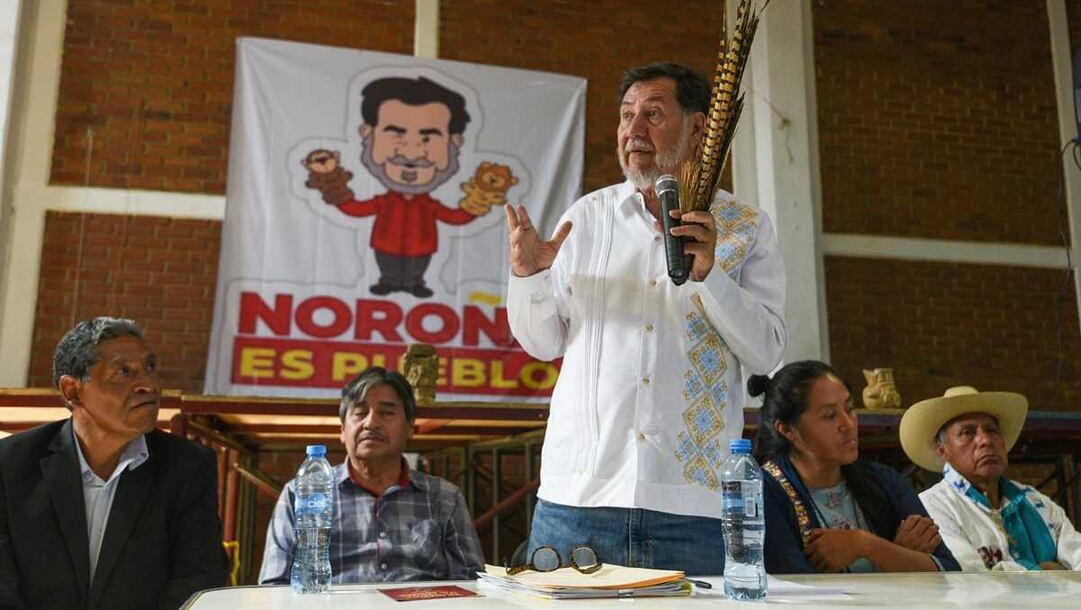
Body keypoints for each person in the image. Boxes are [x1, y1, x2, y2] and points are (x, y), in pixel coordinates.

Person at [505, 62, 787, 574]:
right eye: (626, 116)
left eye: (652, 115)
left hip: (694, 509)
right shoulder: (586, 217)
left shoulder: (745, 227)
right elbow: (542, 342)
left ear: (700, 127)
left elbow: (767, 351)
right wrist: (527, 276)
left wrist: (711, 278)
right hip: (578, 503)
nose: (632, 132)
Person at [0, 317, 228, 609]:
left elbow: (198, 581)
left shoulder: (188, 466)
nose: (148, 385)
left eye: (150, 368)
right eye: (123, 372)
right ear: (72, 390)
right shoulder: (12, 464)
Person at [259, 367, 484, 584]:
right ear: (342, 431)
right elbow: (273, 584)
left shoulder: (444, 497)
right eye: (359, 413)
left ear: (410, 428)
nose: (371, 423)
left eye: (386, 413)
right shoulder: (301, 494)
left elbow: (473, 583)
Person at [303, 76, 502, 298]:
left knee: (418, 266)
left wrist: (479, 200)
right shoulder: (384, 201)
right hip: (385, 245)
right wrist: (331, 184)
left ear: (455, 142)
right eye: (396, 135)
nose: (411, 153)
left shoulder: (429, 205)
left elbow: (455, 217)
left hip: (423, 247)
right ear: (367, 133)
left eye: (428, 139)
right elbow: (355, 209)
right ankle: (388, 281)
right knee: (388, 264)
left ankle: (415, 282)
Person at [753, 360, 960, 574]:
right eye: (830, 416)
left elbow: (949, 571)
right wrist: (897, 555)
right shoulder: (763, 492)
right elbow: (802, 591)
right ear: (788, 430)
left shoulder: (882, 479)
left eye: (849, 409)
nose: (848, 424)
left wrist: (865, 545)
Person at [900, 385, 1081, 571]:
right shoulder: (934, 507)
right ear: (942, 451)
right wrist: (1051, 571)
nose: (985, 440)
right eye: (967, 432)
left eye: (991, 430)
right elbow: (971, 578)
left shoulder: (1037, 503)